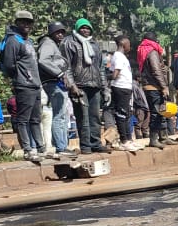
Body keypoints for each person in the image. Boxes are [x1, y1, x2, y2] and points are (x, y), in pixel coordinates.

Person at [0, 10, 47, 160]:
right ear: (17, 23)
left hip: (35, 85)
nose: (26, 24)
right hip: (24, 85)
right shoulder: (13, 40)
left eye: (29, 22)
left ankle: (41, 148)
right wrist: (21, 77)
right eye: (23, 22)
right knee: (23, 119)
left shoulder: (28, 41)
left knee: (36, 119)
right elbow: (9, 64)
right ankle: (28, 149)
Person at [62, 18, 110, 154]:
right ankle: (85, 146)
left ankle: (96, 143)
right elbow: (66, 67)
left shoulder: (94, 44)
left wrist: (105, 88)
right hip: (79, 85)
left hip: (95, 85)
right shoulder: (68, 42)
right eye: (82, 27)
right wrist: (72, 86)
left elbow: (101, 68)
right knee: (83, 117)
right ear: (77, 28)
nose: (85, 30)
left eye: (88, 28)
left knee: (95, 117)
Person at [37, 21, 75, 156]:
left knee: (63, 115)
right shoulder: (47, 43)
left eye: (62, 32)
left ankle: (63, 145)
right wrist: (59, 74)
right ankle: (61, 147)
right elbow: (43, 60)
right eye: (57, 32)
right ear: (51, 33)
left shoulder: (53, 44)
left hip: (57, 83)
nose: (60, 35)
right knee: (59, 116)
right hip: (53, 83)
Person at [137, 31, 175, 148]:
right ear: (155, 41)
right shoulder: (152, 52)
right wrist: (164, 87)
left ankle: (163, 137)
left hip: (150, 85)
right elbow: (156, 70)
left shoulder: (143, 51)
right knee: (156, 113)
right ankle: (153, 139)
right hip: (154, 86)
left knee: (161, 111)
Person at [108, 36, 137, 151]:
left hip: (125, 87)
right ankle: (124, 140)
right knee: (121, 114)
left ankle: (129, 139)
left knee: (126, 114)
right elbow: (115, 74)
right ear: (123, 44)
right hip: (120, 87)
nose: (130, 46)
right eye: (128, 44)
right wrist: (106, 77)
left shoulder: (122, 56)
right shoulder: (118, 56)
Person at [131, 73, 150, 141]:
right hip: (139, 106)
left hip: (145, 106)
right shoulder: (134, 86)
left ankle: (145, 133)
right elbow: (135, 97)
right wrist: (139, 105)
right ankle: (138, 135)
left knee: (146, 121)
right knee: (139, 121)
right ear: (138, 78)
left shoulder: (140, 85)